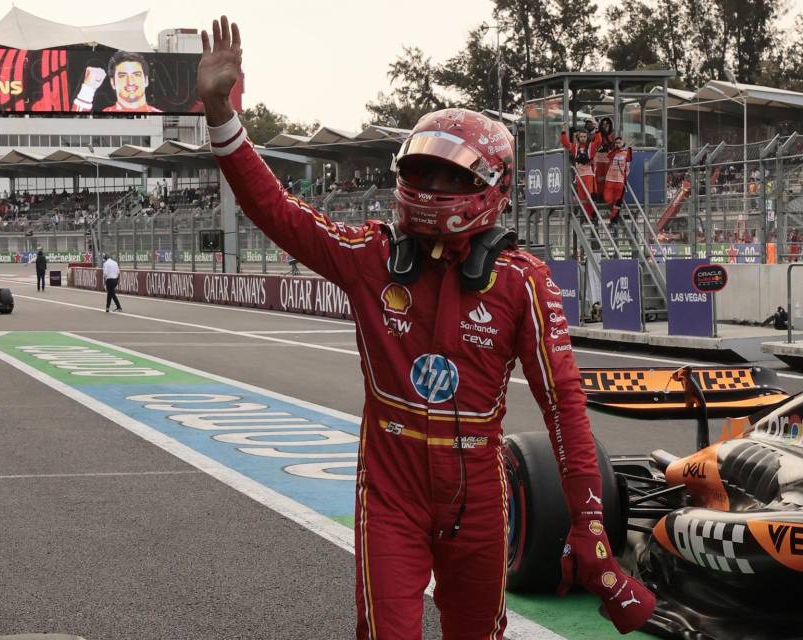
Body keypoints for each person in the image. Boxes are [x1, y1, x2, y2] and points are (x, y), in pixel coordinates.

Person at [197, 16, 655, 639]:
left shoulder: (522, 281)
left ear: (495, 185)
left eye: (453, 176)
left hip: (481, 501)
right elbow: (277, 212)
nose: (432, 188)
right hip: (392, 495)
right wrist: (223, 114)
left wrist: (590, 525)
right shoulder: (372, 256)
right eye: (422, 172)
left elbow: (565, 411)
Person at [73, 51, 163, 113]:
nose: (130, 82)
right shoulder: (103, 115)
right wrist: (88, 89)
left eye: (136, 74)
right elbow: (75, 124)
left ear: (146, 81)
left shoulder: (159, 114)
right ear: (113, 83)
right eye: (122, 76)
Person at [561, 123, 598, 218]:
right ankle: (586, 215)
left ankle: (591, 215)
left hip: (588, 175)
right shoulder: (575, 147)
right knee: (582, 198)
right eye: (581, 136)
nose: (582, 138)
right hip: (579, 176)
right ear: (578, 137)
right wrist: (563, 131)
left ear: (587, 137)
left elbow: (599, 141)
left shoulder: (591, 146)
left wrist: (597, 130)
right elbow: (565, 143)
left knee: (588, 196)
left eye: (584, 136)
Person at [603, 138, 633, 222]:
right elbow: (609, 156)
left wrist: (629, 148)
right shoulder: (612, 152)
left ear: (623, 143)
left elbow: (629, 160)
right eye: (616, 143)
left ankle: (613, 217)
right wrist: (616, 149)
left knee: (617, 200)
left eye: (619, 143)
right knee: (607, 198)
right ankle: (613, 213)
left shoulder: (626, 153)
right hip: (610, 179)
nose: (617, 144)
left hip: (620, 180)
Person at [593, 117, 616, 199]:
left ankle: (607, 195)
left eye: (607, 124)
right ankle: (599, 194)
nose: (605, 126)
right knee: (599, 178)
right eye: (603, 124)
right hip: (599, 158)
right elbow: (596, 142)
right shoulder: (598, 134)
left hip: (608, 158)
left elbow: (613, 145)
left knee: (608, 178)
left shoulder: (612, 135)